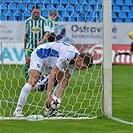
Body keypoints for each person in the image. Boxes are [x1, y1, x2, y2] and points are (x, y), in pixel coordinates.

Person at [13, 34, 93, 117]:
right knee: (33, 80)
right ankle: (17, 111)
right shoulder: (67, 56)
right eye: (84, 67)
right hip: (41, 54)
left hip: (52, 62)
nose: (83, 69)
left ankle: (51, 110)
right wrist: (48, 96)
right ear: (80, 59)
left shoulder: (76, 63)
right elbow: (52, 75)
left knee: (64, 81)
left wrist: (58, 100)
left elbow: (64, 80)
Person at [24, 5, 50, 80]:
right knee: (28, 61)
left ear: (40, 12)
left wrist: (42, 40)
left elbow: (47, 32)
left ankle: (39, 80)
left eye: (37, 12)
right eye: (34, 12)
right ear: (31, 12)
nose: (36, 14)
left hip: (41, 46)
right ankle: (28, 81)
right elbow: (25, 35)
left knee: (41, 63)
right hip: (30, 45)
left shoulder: (44, 21)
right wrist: (25, 47)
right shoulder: (28, 21)